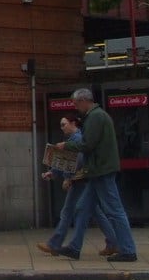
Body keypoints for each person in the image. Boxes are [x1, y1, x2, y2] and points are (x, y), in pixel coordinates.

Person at [54, 87, 139, 262]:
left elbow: (87, 145)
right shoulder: (97, 116)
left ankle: (128, 250)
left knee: (115, 211)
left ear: (85, 101)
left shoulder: (95, 117)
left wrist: (66, 146)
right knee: (82, 208)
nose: (76, 108)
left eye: (77, 104)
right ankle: (74, 248)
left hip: (102, 170)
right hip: (96, 171)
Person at [36, 115, 116, 258]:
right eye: (61, 125)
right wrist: (53, 172)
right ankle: (113, 242)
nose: (62, 128)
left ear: (73, 123)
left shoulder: (78, 139)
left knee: (68, 212)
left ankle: (55, 244)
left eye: (64, 124)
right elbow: (65, 160)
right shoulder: (73, 140)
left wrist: (67, 178)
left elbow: (76, 162)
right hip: (82, 180)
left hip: (80, 180)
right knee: (96, 213)